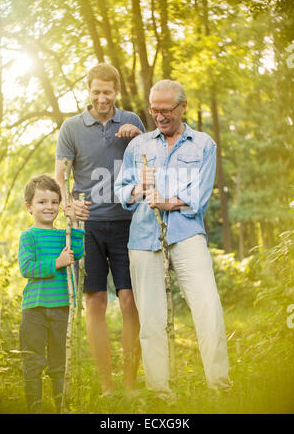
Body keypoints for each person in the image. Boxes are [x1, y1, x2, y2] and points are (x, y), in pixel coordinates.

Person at [115, 79, 231, 395]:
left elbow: (200, 195)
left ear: (182, 107)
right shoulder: (138, 146)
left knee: (208, 307)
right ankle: (160, 393)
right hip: (143, 238)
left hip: (186, 234)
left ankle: (220, 387)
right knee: (151, 320)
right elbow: (120, 190)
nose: (160, 116)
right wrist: (140, 187)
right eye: (155, 110)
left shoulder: (204, 145)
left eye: (167, 110)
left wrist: (165, 201)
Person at [55, 63, 145, 395]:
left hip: (127, 224)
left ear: (116, 92)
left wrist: (139, 139)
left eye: (108, 91)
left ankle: (131, 383)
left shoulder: (132, 121)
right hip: (89, 227)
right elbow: (60, 177)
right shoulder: (71, 127)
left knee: (128, 301)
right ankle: (107, 385)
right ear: (88, 90)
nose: (102, 97)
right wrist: (67, 205)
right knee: (94, 302)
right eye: (96, 91)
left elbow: (150, 163)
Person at [18, 175, 85, 413]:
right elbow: (27, 268)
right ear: (29, 207)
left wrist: (74, 223)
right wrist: (56, 262)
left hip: (60, 307)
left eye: (54, 202)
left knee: (59, 363)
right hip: (34, 309)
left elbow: (78, 249)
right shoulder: (29, 236)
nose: (49, 207)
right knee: (33, 360)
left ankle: (61, 406)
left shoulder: (62, 236)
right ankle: (34, 407)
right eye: (42, 202)